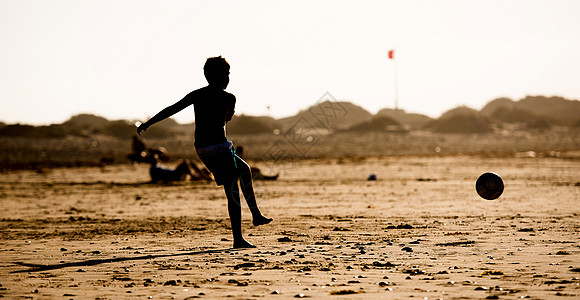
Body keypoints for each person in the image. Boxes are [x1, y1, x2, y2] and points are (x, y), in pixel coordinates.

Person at [137, 56, 272, 248]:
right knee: (232, 189)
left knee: (245, 169)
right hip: (218, 148)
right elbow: (227, 119)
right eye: (226, 74)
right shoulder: (229, 98)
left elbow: (172, 109)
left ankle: (256, 214)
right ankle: (238, 238)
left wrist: (148, 123)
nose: (228, 78)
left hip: (204, 148)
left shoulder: (198, 95)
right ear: (216, 76)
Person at [147, 154, 212, 183]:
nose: (157, 159)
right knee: (185, 162)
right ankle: (198, 176)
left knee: (189, 162)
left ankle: (201, 175)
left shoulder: (158, 165)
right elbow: (154, 178)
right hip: (173, 175)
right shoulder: (153, 168)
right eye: (155, 158)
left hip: (173, 174)